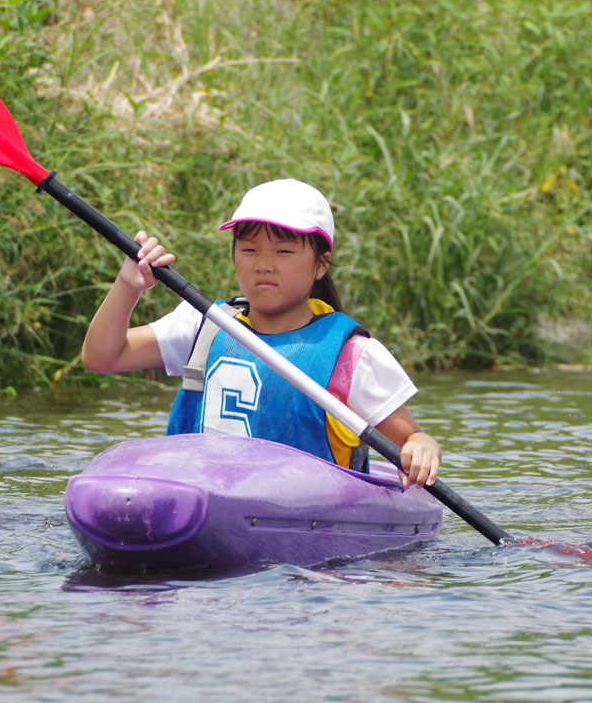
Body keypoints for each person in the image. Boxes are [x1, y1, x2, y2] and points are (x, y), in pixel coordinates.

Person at [81, 178, 441, 489]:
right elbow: (102, 357)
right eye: (249, 249)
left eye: (283, 251)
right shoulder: (203, 324)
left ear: (321, 264)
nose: (263, 264)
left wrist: (423, 447)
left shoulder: (350, 355)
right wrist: (128, 286)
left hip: (299, 530)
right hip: (193, 497)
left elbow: (412, 438)